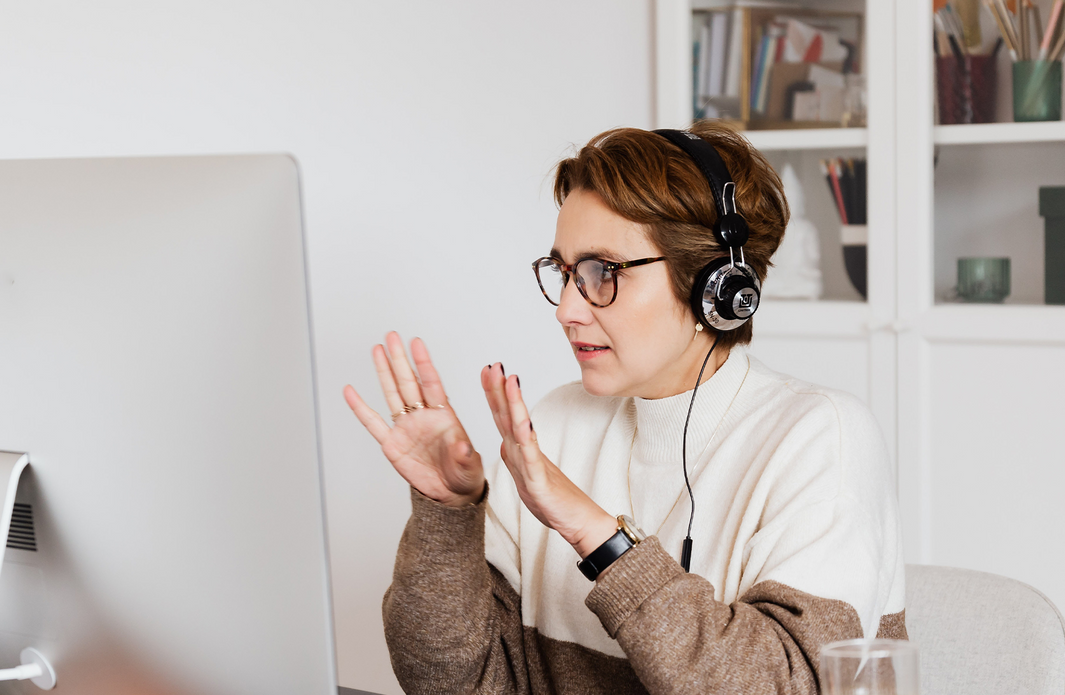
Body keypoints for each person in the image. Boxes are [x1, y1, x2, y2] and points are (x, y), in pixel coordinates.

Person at [342, 123, 906, 695]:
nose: (566, 309)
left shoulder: (820, 438)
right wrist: (448, 516)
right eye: (565, 273)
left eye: (602, 272)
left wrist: (597, 535)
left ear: (713, 286)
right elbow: (454, 682)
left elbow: (787, 687)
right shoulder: (554, 425)